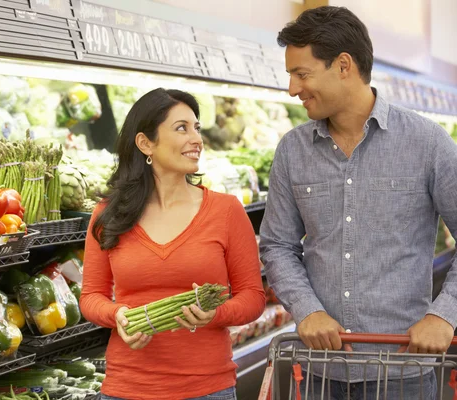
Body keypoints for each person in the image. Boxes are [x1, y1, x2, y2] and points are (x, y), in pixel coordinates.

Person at [260, 5, 457, 399]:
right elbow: (277, 245)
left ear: (344, 65)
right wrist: (307, 308)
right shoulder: (292, 151)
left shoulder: (428, 143)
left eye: (302, 74)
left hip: (403, 371)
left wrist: (444, 314)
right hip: (318, 371)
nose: (293, 89)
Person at [80, 88, 266, 400]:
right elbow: (91, 297)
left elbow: (252, 297)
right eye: (181, 128)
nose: (196, 139)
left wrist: (215, 314)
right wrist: (118, 315)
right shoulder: (109, 214)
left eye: (197, 128)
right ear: (145, 143)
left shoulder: (226, 210)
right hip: (127, 389)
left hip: (207, 388)